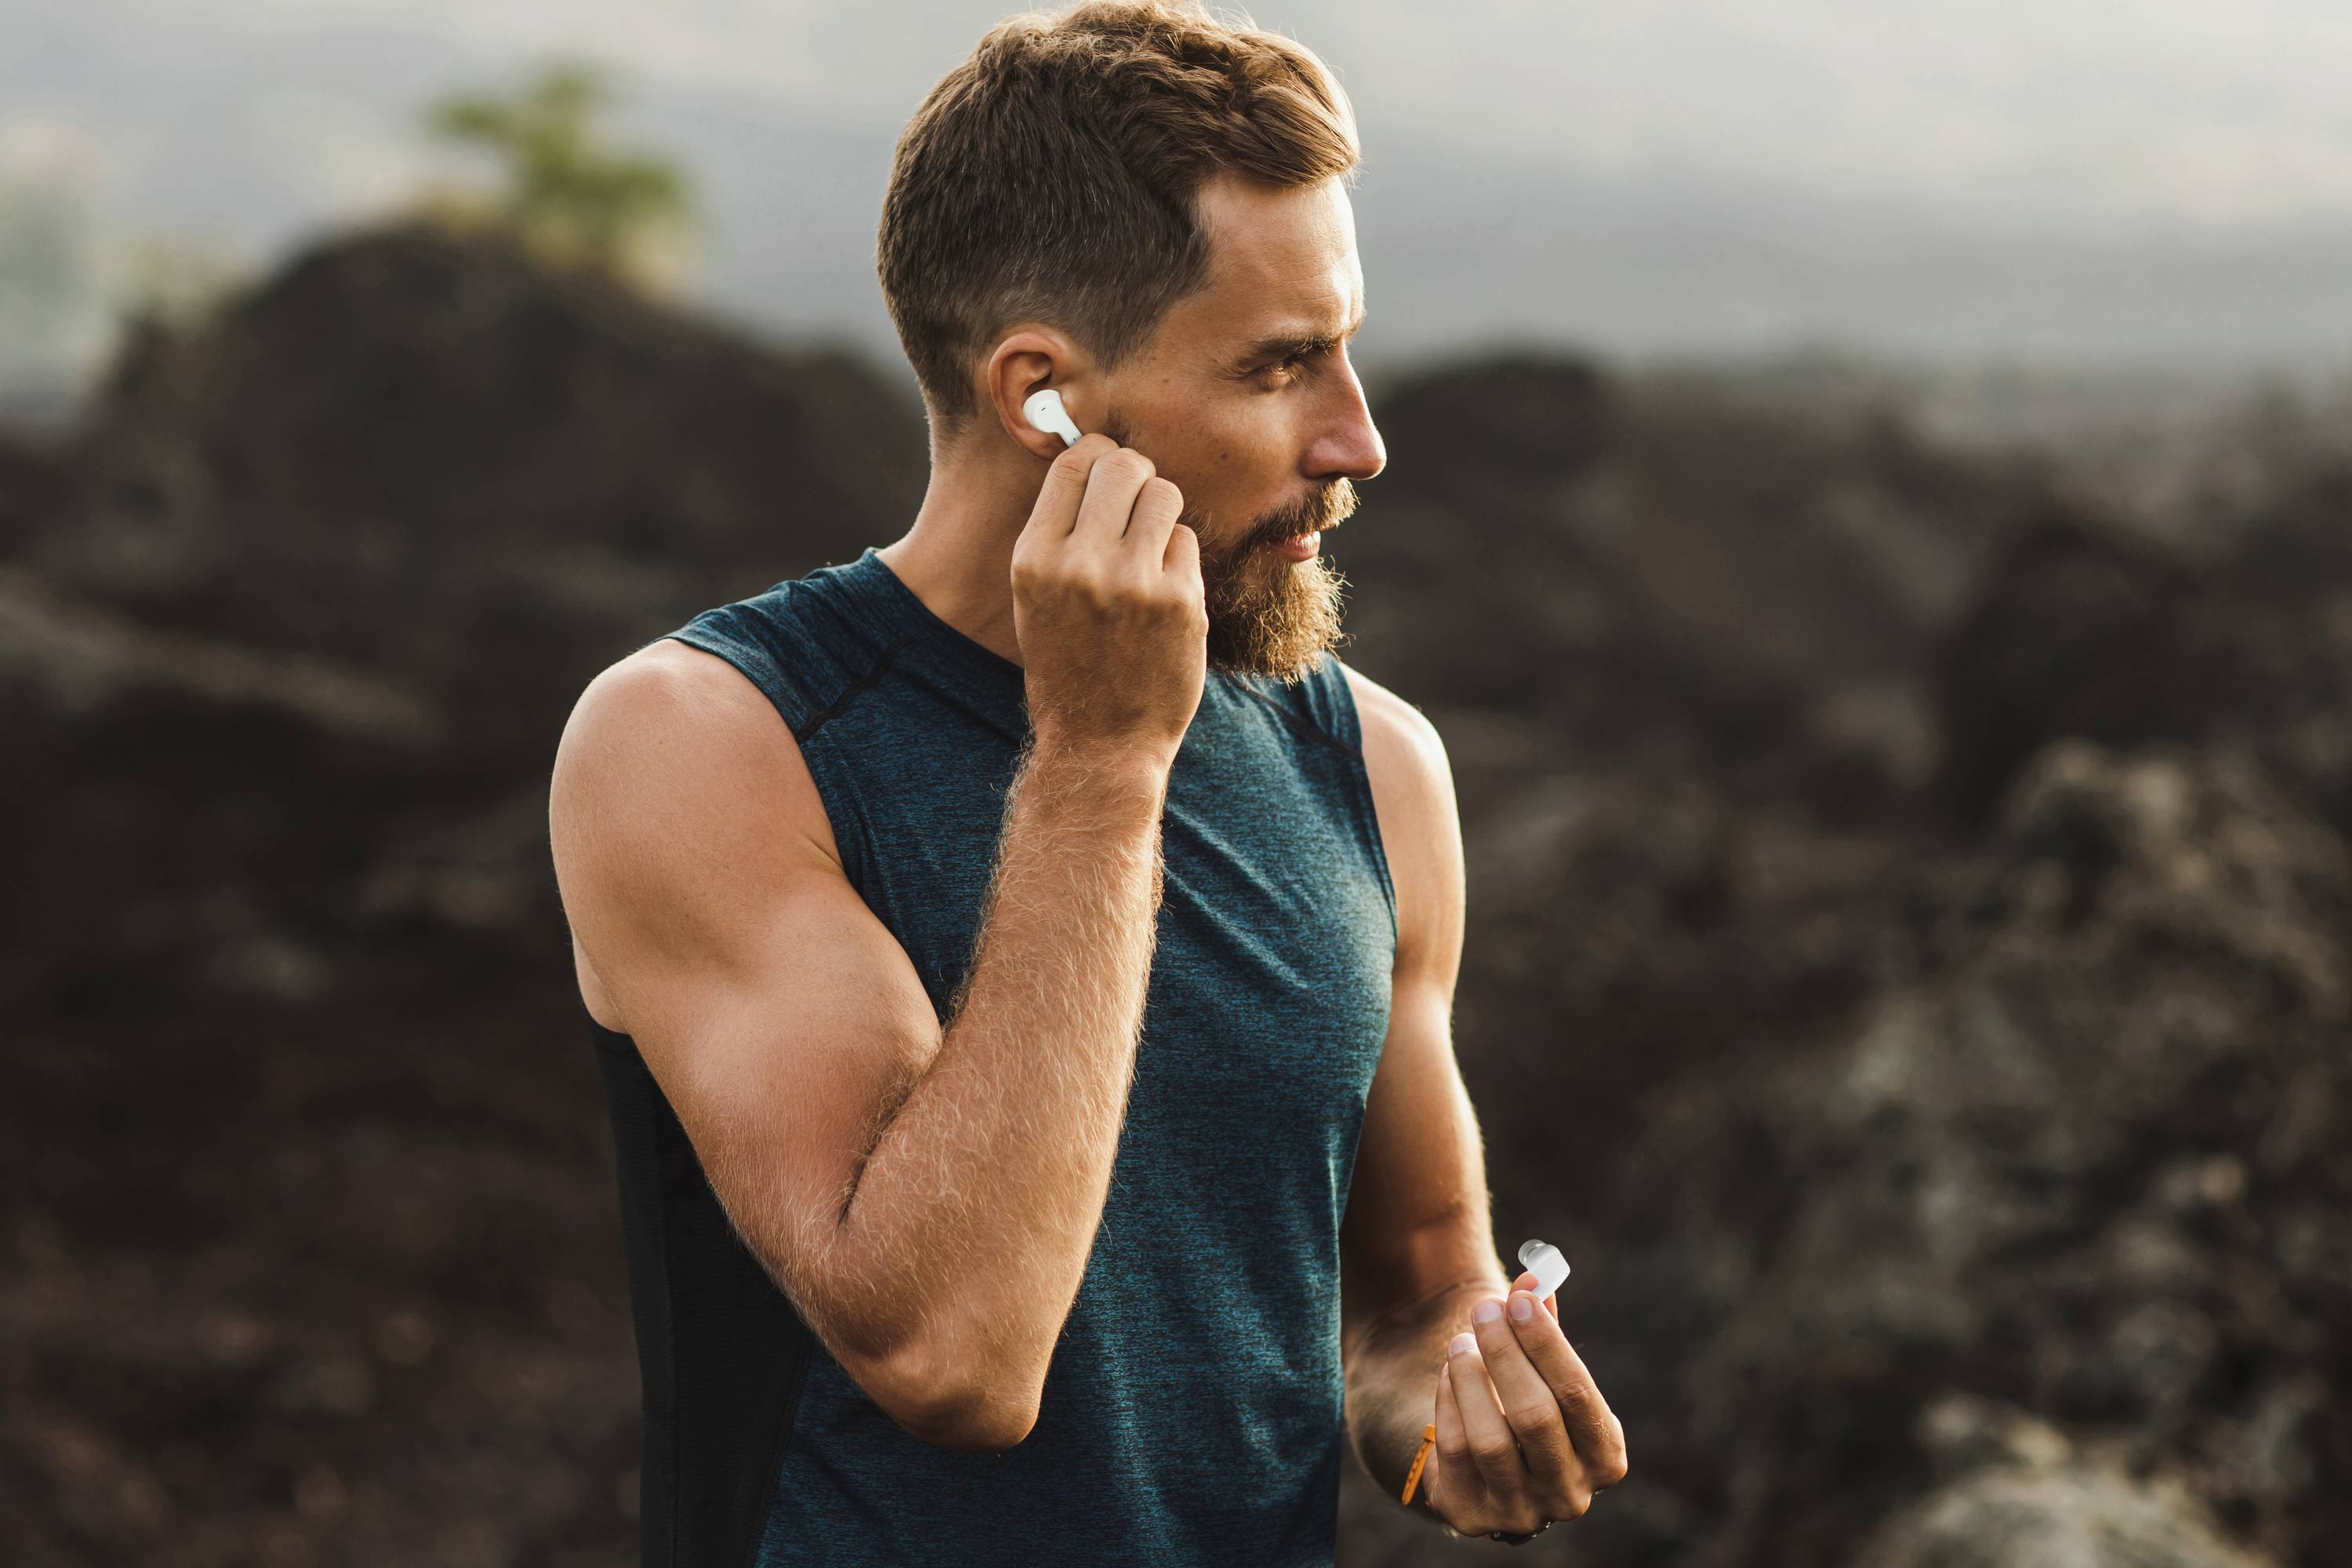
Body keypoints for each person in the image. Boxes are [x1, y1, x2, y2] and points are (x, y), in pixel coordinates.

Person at [546, 3, 1626, 1563]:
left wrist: (1461, 1420)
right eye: (1282, 366)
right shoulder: (707, 744)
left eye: (1349, 351)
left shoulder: (1374, 764)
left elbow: (1409, 1299)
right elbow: (953, 1352)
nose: (1361, 439)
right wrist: (1102, 757)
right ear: (1044, 398)